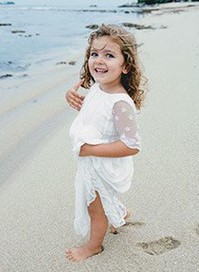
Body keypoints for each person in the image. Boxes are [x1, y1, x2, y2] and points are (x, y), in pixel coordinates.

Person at [64, 24, 146, 262]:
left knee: (94, 208)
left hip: (104, 164)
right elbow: (92, 115)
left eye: (109, 55)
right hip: (93, 160)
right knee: (100, 199)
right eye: (94, 54)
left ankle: (93, 246)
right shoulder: (99, 89)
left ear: (125, 65)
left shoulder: (120, 103)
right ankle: (121, 212)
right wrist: (69, 96)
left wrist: (90, 149)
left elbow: (132, 145)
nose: (99, 60)